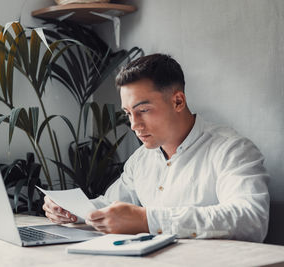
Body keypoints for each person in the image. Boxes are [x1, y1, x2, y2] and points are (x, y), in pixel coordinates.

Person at [42, 53, 270, 242]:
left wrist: (148, 220)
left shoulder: (232, 150)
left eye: (143, 110)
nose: (134, 125)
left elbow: (250, 219)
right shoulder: (141, 159)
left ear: (178, 101)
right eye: (128, 113)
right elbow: (111, 205)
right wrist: (74, 210)